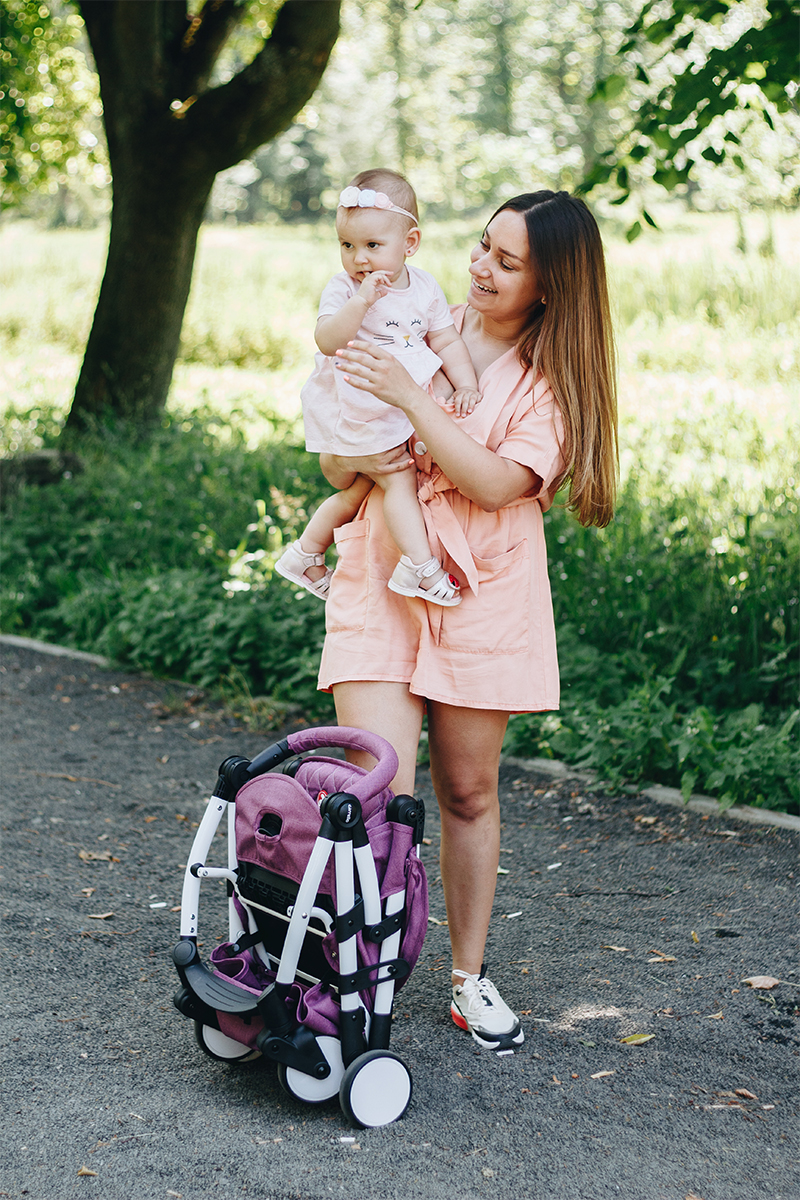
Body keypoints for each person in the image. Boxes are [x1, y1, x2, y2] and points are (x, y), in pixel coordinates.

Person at [318, 190, 618, 1053]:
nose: (481, 267)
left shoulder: (552, 383)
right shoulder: (411, 312)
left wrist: (413, 402)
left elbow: (494, 483)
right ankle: (356, 978)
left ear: (551, 284)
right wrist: (358, 443)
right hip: (386, 566)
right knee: (375, 790)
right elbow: (339, 445)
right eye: (483, 247)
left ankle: (466, 978)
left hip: (484, 587)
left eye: (507, 260)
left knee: (467, 791)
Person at [275, 169, 480, 607]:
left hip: (395, 405)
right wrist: (363, 300)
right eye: (347, 245)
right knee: (398, 480)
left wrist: (464, 383)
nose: (359, 258)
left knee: (360, 490)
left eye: (372, 245)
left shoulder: (424, 286)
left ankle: (305, 552)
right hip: (361, 403)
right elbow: (328, 340)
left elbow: (443, 339)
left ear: (410, 244)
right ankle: (420, 568)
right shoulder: (345, 288)